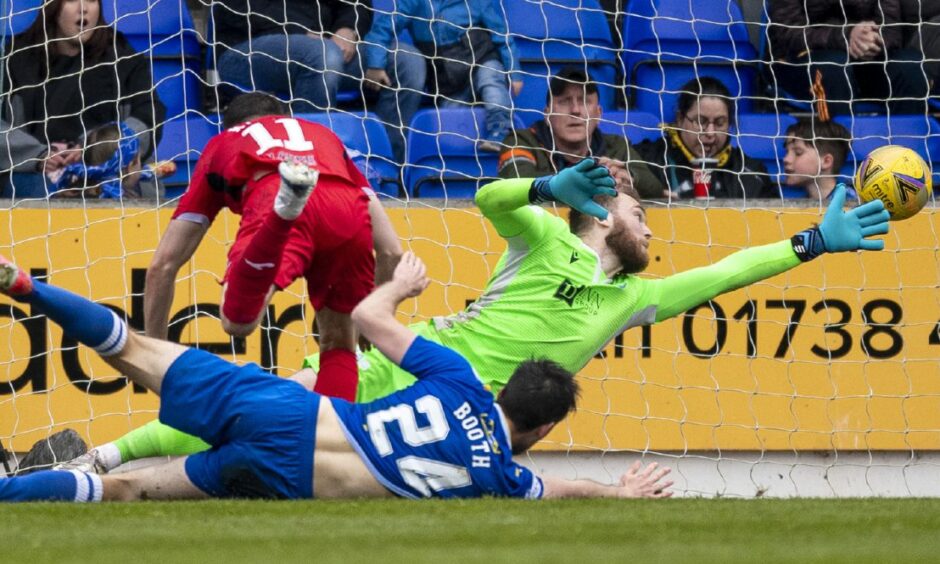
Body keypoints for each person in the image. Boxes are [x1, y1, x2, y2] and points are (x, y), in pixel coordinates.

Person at [66, 159, 891, 473]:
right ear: (603, 216)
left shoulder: (631, 298)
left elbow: (723, 274)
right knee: (262, 410)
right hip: (413, 360)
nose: (652, 234)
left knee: (279, 445)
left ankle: (106, 468)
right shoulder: (542, 238)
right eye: (643, 215)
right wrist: (544, 189)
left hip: (459, 421)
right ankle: (94, 457)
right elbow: (490, 197)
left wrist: (812, 241)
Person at [0, 252, 674, 502]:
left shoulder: (461, 379)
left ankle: (30, 285)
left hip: (291, 411)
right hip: (287, 477)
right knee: (119, 492)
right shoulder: (499, 478)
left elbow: (366, 316)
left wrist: (402, 286)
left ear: (502, 393)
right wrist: (619, 492)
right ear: (545, 426)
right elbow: (563, 488)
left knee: (134, 349)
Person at [144, 92, 402, 402]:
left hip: (272, 191)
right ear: (285, 118)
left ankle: (283, 216)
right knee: (339, 345)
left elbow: (163, 265)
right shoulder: (324, 136)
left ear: (230, 127)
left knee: (237, 322)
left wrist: (154, 358)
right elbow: (392, 252)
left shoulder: (223, 144)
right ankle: (332, 442)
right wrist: (378, 314)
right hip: (346, 207)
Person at [0, 0, 165, 199]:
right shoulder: (13, 59)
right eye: (71, 0)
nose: (83, 8)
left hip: (109, 173)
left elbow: (148, 116)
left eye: (91, 0)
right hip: (35, 176)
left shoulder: (123, 58)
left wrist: (97, 151)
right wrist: (39, 156)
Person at [363, 0, 523, 159]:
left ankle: (500, 131)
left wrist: (514, 72)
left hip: (481, 59)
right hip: (447, 79)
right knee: (451, 124)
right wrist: (376, 64)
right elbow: (382, 30)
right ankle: (457, 164)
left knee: (492, 83)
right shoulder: (412, 3)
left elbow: (502, 37)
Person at [498, 67, 667, 199]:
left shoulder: (616, 146)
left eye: (584, 101)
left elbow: (654, 187)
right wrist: (589, 180)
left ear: (599, 114)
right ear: (547, 114)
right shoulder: (520, 141)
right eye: (564, 102)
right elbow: (516, 183)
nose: (575, 110)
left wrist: (629, 177)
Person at [769, 0, 929, 116]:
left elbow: (891, 30)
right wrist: (846, 36)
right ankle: (838, 150)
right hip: (802, 60)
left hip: (865, 60)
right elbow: (787, 33)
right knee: (833, 67)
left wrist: (870, 40)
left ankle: (906, 152)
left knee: (910, 65)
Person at [635, 77, 774, 200]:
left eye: (720, 123)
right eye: (701, 122)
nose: (710, 133)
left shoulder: (752, 172)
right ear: (680, 119)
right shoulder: (647, 161)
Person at [781, 118, 856, 202]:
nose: (786, 159)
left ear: (826, 161)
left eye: (798, 153)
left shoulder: (852, 203)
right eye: (787, 152)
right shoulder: (797, 206)